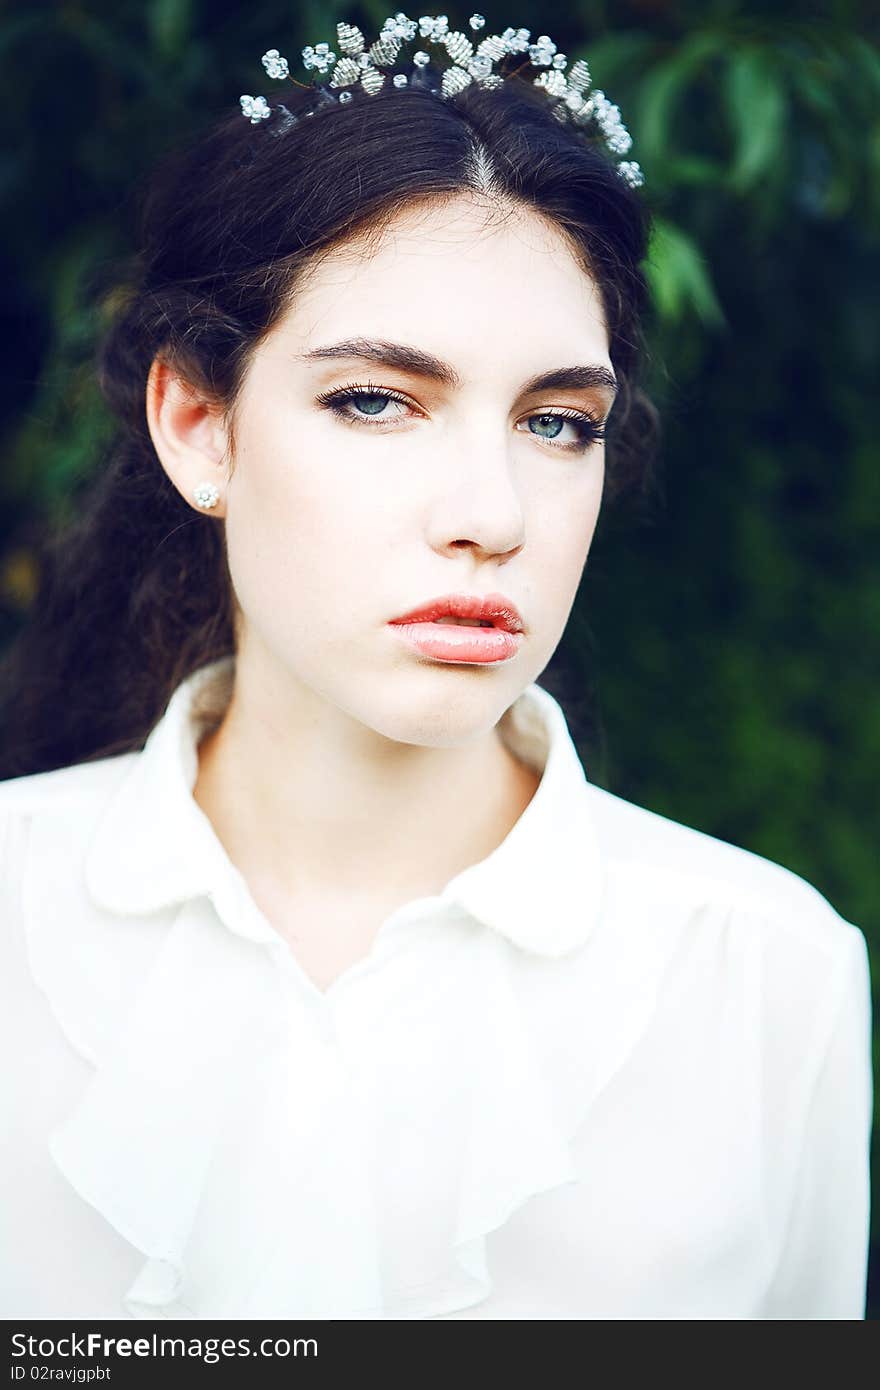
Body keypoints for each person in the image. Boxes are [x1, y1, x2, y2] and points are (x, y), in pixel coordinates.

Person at [0, 14, 872, 1321]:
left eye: (555, 422)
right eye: (376, 400)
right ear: (198, 424)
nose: (494, 511)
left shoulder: (763, 970)